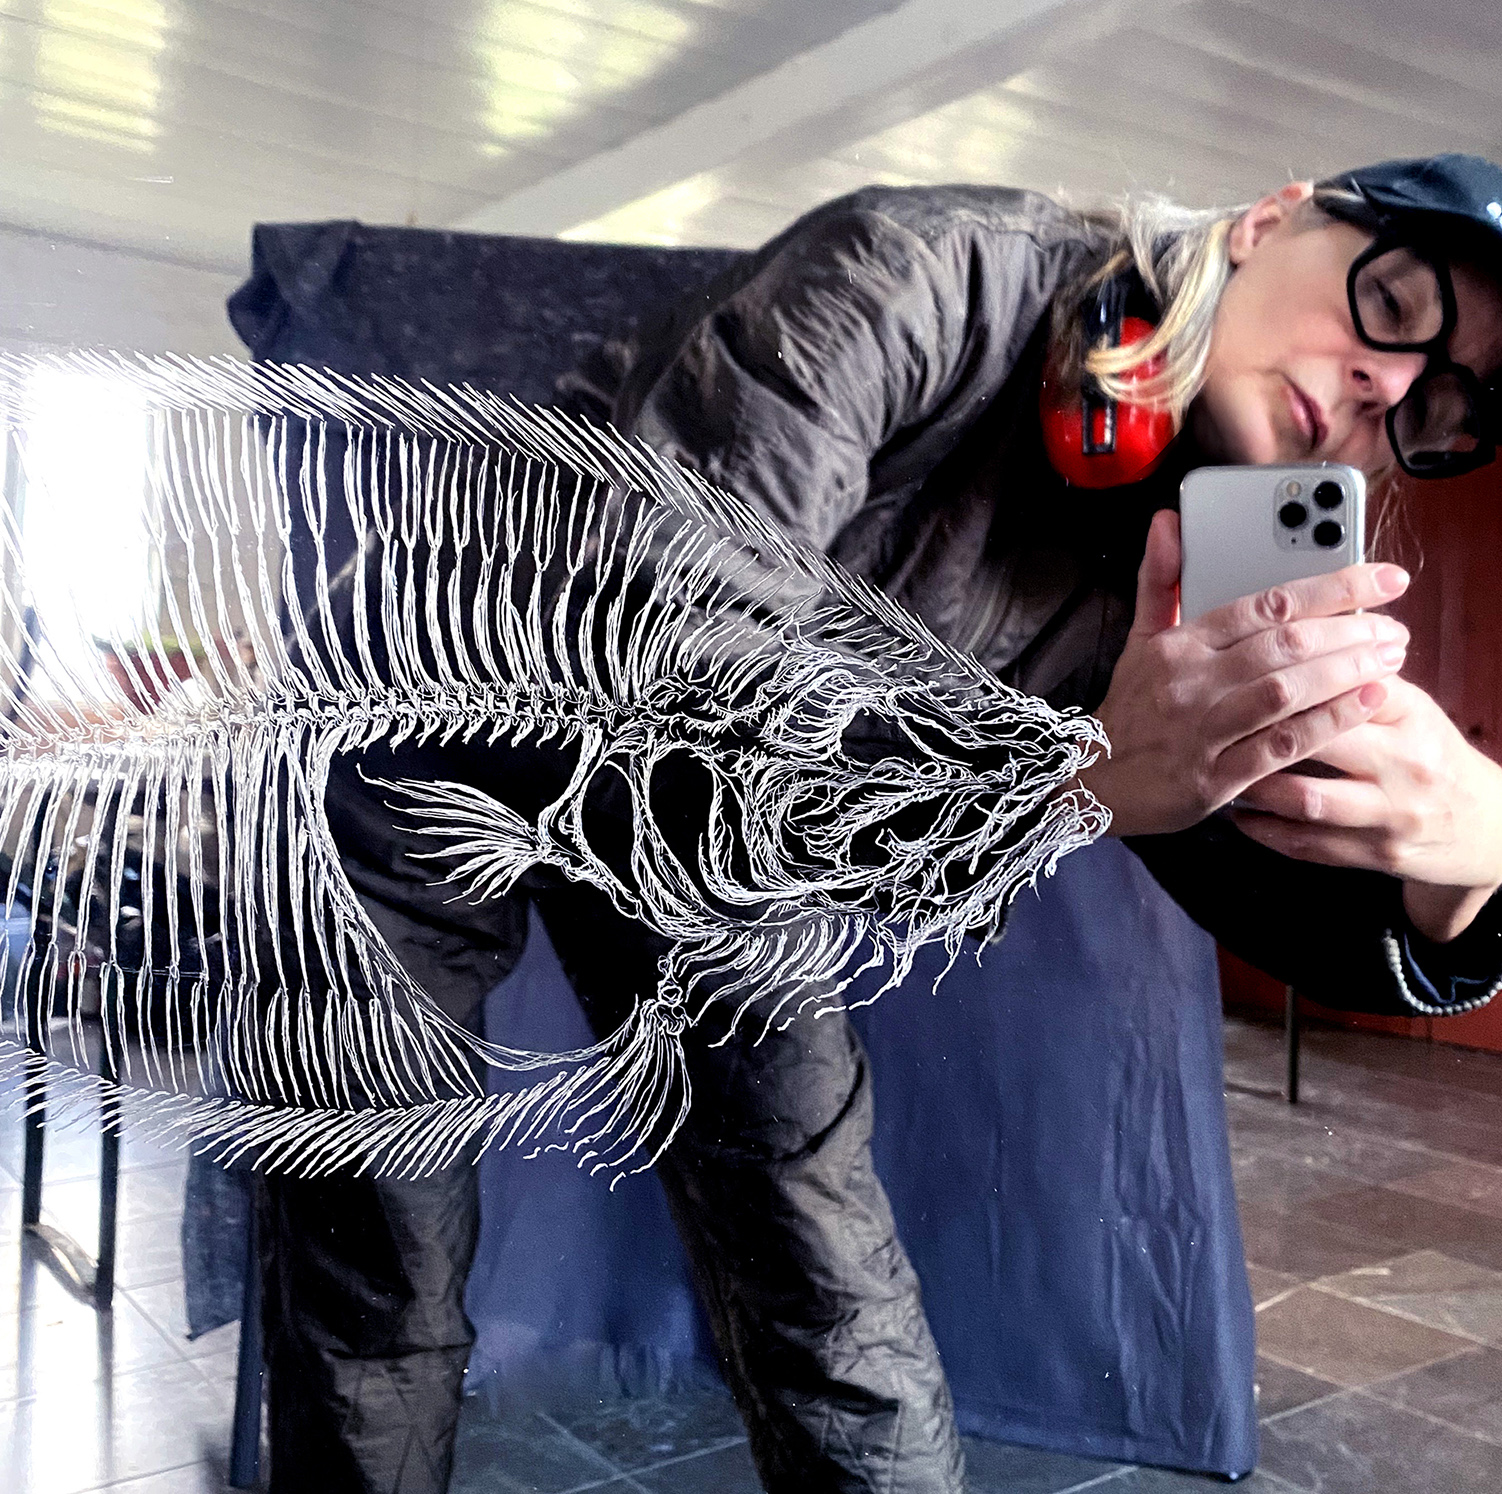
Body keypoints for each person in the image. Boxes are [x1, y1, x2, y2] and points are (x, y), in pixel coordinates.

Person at [258, 154, 1502, 1494]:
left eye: (1443, 408)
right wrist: (1071, 777)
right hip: (442, 706)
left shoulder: (1218, 541)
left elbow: (1288, 868)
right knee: (375, 1251)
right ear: (1269, 220)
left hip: (725, 838)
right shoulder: (922, 275)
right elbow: (675, 688)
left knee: (817, 1253)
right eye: (1394, 303)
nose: (1388, 386)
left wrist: (1472, 853)